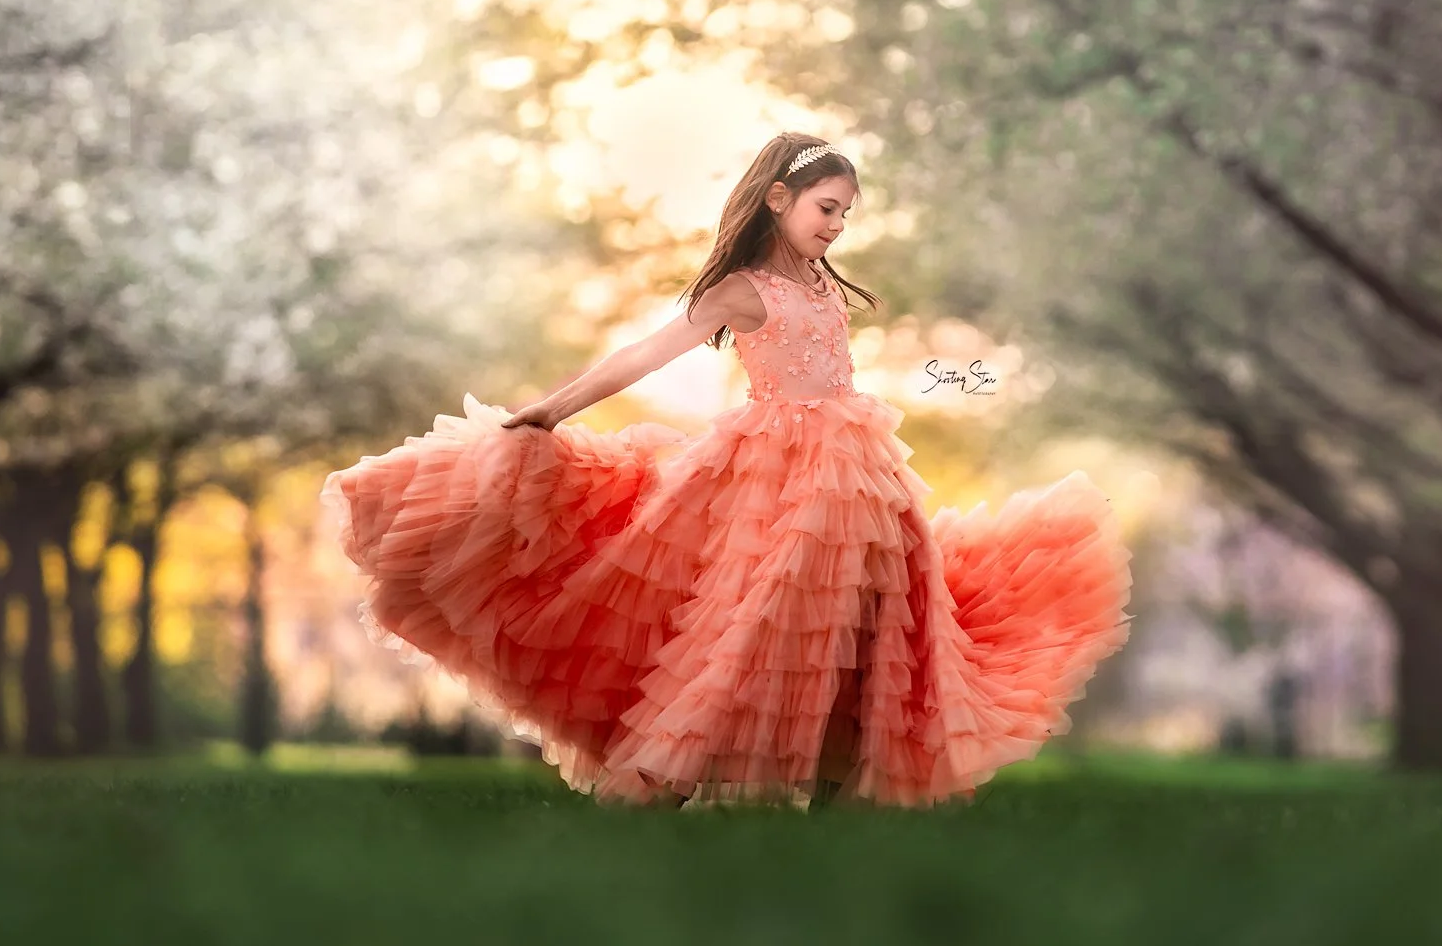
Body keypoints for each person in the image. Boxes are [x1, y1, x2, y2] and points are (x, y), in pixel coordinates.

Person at [322, 132, 1133, 809]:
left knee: (875, 621)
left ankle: (843, 790)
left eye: (846, 213)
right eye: (827, 208)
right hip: (779, 477)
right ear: (778, 199)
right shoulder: (743, 292)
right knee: (757, 615)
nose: (837, 226)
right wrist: (554, 407)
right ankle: (659, 780)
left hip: (861, 469)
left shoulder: (823, 282)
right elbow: (645, 350)